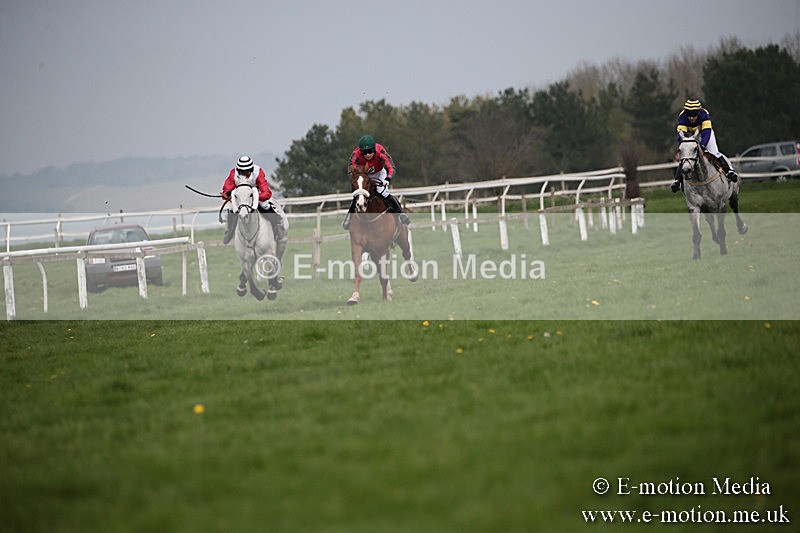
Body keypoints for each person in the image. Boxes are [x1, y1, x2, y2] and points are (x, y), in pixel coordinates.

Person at [220, 155, 289, 259]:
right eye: (242, 171)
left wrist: (253, 198)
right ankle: (230, 230)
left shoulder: (258, 172)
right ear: (238, 170)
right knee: (231, 209)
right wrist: (226, 194)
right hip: (242, 199)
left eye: (246, 171)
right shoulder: (233, 174)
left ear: (251, 169)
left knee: (265, 205)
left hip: (257, 196)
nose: (244, 174)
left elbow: (267, 192)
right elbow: (227, 187)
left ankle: (277, 225)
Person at [342, 135, 410, 229]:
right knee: (359, 194)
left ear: (374, 149)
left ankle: (400, 214)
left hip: (379, 173)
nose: (368, 155)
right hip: (364, 174)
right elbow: (350, 170)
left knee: (383, 192)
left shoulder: (380, 151)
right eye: (365, 153)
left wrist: (388, 179)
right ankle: (349, 220)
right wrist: (356, 179)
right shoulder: (355, 154)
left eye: (370, 151)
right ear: (360, 152)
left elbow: (391, 167)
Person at [671, 99, 738, 193]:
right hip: (690, 136)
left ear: (698, 112)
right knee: (686, 157)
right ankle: (677, 181)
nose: (692, 118)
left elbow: (706, 132)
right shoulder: (682, 117)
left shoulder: (704, 114)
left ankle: (729, 172)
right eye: (689, 115)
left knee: (714, 152)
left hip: (704, 134)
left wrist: (702, 146)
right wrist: (686, 145)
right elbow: (681, 135)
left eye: (694, 115)